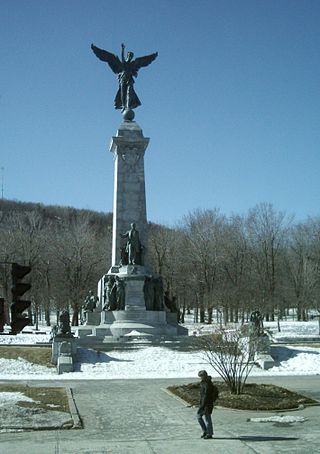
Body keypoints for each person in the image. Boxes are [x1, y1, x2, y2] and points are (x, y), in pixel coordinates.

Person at [197, 370, 215, 439]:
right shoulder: (203, 383)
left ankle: (209, 433)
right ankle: (205, 431)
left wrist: (203, 404)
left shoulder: (208, 384)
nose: (200, 378)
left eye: (201, 376)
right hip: (203, 403)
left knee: (207, 419)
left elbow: (206, 395)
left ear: (204, 376)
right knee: (199, 417)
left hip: (207, 404)